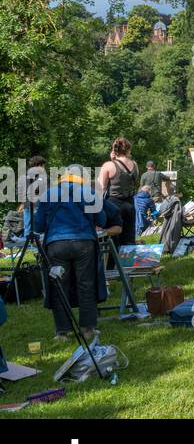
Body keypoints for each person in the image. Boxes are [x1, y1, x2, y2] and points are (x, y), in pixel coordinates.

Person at [33, 165, 106, 342]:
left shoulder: (48, 193)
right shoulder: (87, 192)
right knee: (86, 284)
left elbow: (38, 225)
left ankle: (62, 332)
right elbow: (102, 220)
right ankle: (88, 329)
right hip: (84, 242)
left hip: (56, 244)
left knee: (59, 286)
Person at [97, 138, 139, 247]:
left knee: (113, 240)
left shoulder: (108, 165)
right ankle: (127, 262)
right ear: (128, 149)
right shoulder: (135, 165)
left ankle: (112, 263)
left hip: (113, 204)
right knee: (129, 239)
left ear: (114, 149)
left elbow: (100, 189)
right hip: (130, 204)